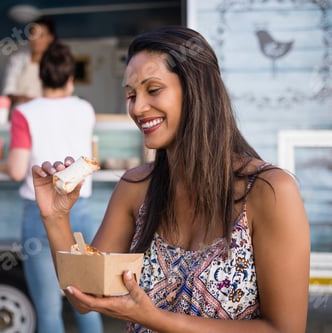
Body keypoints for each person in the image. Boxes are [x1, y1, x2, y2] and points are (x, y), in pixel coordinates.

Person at [31, 26, 310, 333]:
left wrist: (154, 319)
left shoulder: (269, 191)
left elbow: (285, 329)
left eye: (153, 90)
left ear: (196, 89)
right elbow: (85, 297)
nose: (137, 108)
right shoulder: (135, 188)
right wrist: (56, 217)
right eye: (131, 94)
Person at [5, 41, 103, 333]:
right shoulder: (86, 109)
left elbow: (16, 170)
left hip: (41, 214)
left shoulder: (25, 112)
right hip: (81, 211)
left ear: (40, 77)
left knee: (48, 310)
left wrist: (2, 163)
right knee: (87, 302)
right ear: (70, 79)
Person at [2, 16, 56, 107]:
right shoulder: (17, 60)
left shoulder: (55, 64)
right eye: (33, 34)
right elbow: (8, 91)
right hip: (20, 111)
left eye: (41, 35)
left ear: (50, 38)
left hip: (45, 112)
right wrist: (23, 99)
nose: (36, 40)